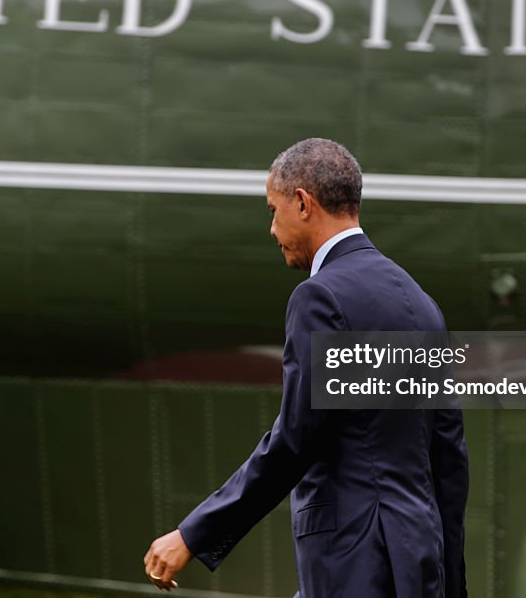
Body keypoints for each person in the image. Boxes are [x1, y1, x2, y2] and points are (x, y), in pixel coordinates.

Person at [142, 138, 469, 597]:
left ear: (302, 203)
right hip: (419, 562)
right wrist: (450, 581)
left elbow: (295, 439)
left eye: (273, 211)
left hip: (352, 561)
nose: (272, 230)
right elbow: (449, 457)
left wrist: (192, 535)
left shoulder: (320, 298)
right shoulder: (422, 304)